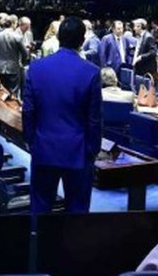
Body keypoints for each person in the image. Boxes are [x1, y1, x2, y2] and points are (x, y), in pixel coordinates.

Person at [22, 17, 102, 213]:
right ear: (82, 41)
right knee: (77, 212)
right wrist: (92, 150)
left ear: (58, 37)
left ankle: (39, 244)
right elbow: (94, 118)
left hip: (43, 147)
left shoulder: (37, 68)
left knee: (40, 209)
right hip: (78, 151)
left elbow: (28, 111)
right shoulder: (91, 72)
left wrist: (31, 141)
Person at [0, 16, 25, 99]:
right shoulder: (17, 37)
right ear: (13, 24)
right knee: (13, 94)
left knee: (3, 92)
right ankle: (14, 112)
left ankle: (4, 111)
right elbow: (25, 53)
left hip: (1, 67)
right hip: (14, 67)